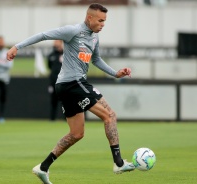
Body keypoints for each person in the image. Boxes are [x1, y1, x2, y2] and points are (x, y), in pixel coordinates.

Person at [7, 3, 133, 184]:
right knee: (110, 116)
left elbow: (96, 59)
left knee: (77, 133)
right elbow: (44, 35)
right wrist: (16, 47)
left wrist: (115, 73)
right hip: (72, 83)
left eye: (105, 21)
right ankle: (119, 163)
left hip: (69, 86)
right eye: (100, 20)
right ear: (89, 18)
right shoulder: (72, 31)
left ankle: (43, 167)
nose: (103, 24)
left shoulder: (94, 38)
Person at [47, 40, 63, 121]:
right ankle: (52, 119)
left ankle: (66, 119)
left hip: (63, 82)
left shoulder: (66, 54)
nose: (55, 43)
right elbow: (49, 67)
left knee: (65, 101)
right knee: (53, 100)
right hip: (53, 82)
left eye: (57, 41)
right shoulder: (51, 55)